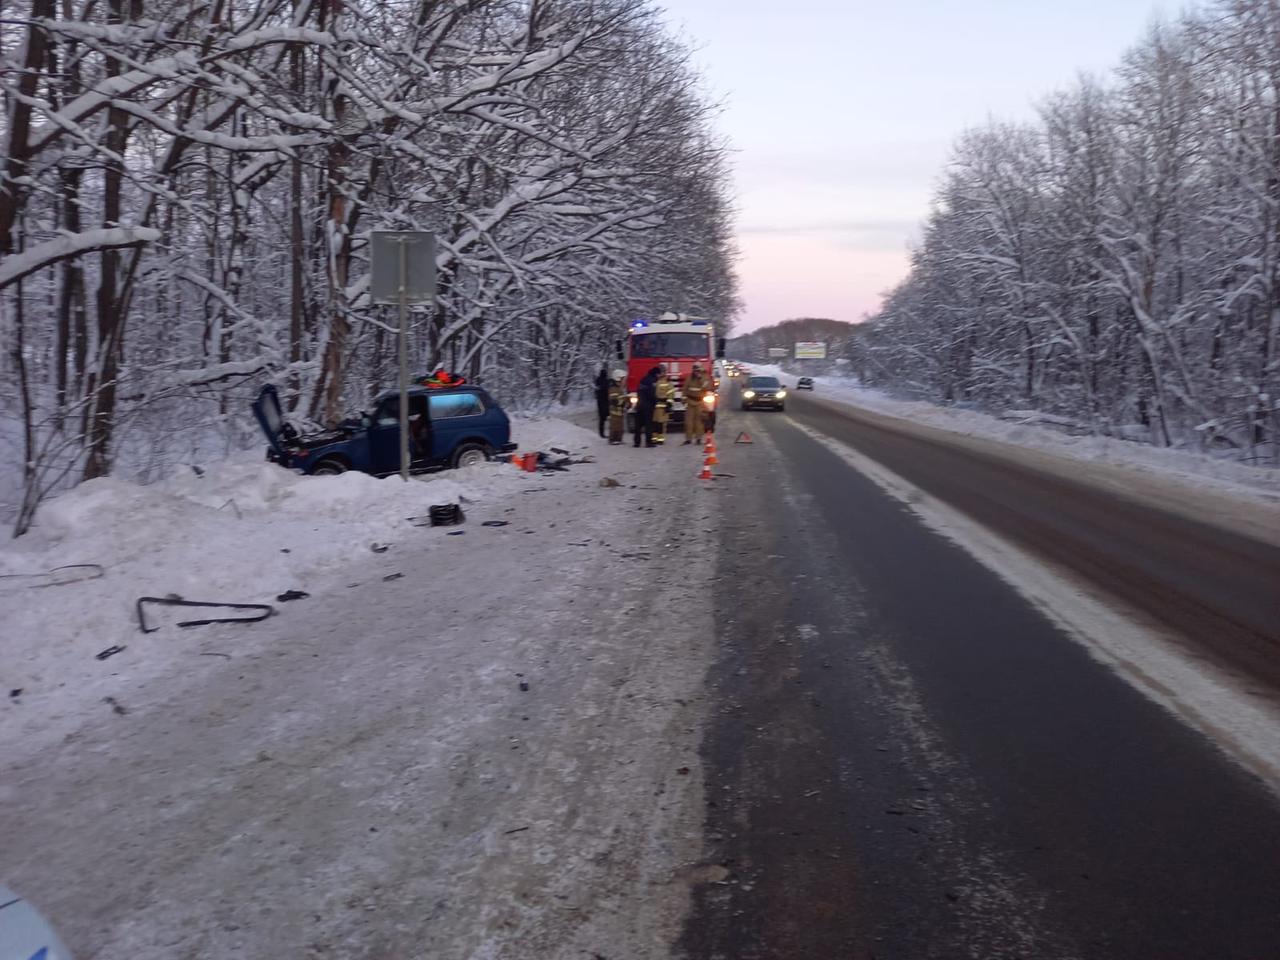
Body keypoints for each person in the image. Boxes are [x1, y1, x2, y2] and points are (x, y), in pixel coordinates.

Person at [683, 363, 712, 444]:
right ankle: (688, 439)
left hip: (700, 402)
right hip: (690, 402)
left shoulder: (705, 377)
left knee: (699, 422)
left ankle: (698, 439)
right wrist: (684, 399)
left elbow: (707, 387)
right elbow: (685, 389)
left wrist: (700, 378)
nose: (696, 372)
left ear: (700, 370)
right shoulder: (689, 378)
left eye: (697, 370)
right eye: (694, 370)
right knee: (688, 422)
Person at [634, 365, 660, 448]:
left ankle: (637, 442)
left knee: (638, 425)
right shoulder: (652, 381)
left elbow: (639, 391)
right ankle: (649, 442)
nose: (659, 376)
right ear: (656, 374)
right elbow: (652, 394)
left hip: (640, 405)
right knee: (648, 424)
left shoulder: (643, 379)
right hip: (648, 406)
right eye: (659, 374)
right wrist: (655, 402)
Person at [653, 366, 675, 444]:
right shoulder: (655, 381)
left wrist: (669, 405)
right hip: (654, 407)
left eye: (663, 371)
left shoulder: (668, 383)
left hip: (663, 407)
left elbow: (671, 394)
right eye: (660, 371)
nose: (661, 373)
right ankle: (654, 439)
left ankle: (660, 439)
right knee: (654, 423)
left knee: (661, 424)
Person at [607, 371, 627, 444]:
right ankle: (613, 439)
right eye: (622, 379)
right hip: (615, 410)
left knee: (620, 425)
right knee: (615, 425)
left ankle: (618, 439)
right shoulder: (614, 389)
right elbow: (614, 401)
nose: (624, 381)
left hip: (619, 410)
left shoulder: (619, 388)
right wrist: (622, 402)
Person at [594, 365, 610, 438]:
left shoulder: (597, 381)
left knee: (602, 418)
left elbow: (597, 390)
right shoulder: (606, 381)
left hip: (600, 401)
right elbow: (607, 390)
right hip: (605, 400)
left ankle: (601, 433)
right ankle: (606, 433)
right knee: (607, 416)